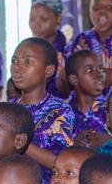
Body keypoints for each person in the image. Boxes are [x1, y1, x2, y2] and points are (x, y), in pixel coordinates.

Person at [12, 37, 74, 170]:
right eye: (14, 61)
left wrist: (20, 143)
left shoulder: (59, 110)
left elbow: (60, 163)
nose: (17, 67)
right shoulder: (8, 109)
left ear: (48, 71)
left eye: (27, 61)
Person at [65, 49, 111, 148]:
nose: (99, 74)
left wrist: (111, 141)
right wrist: (73, 145)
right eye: (89, 70)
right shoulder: (62, 111)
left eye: (101, 69)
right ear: (74, 79)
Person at [27, 0, 70, 97]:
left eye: (44, 19)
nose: (36, 24)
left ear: (58, 20)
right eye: (32, 19)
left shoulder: (69, 52)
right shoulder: (25, 52)